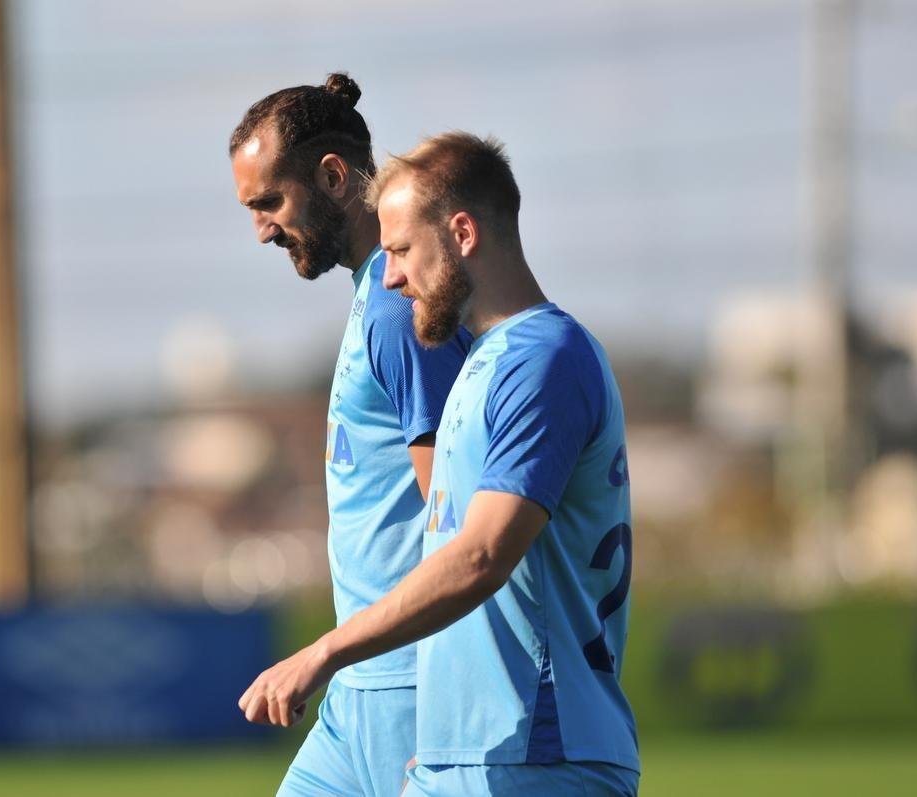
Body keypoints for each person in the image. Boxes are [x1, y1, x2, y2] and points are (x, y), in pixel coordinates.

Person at [238, 132, 640, 796]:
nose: (390, 276)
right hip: (467, 753)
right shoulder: (487, 359)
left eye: (399, 251)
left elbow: (481, 555)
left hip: (538, 748)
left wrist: (326, 651)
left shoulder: (544, 358)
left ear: (461, 233)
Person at [229, 75, 471, 797]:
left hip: (413, 689)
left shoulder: (399, 311)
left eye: (269, 202)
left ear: (333, 177)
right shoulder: (374, 296)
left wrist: (334, 653)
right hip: (358, 698)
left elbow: (455, 521)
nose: (262, 229)